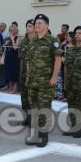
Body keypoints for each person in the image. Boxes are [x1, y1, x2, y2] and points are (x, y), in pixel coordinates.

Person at [25, 14, 61, 147]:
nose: (36, 25)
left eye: (40, 23)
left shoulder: (52, 41)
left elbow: (58, 60)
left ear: (46, 25)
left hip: (46, 82)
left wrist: (54, 76)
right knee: (34, 109)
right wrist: (28, 75)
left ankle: (43, 136)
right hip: (33, 80)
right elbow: (28, 60)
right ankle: (35, 135)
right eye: (35, 23)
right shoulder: (32, 41)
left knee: (44, 108)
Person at [63, 26, 81, 138]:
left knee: (80, 106)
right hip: (70, 83)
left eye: (80, 33)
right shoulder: (70, 50)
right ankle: (73, 126)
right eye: (76, 33)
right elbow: (66, 67)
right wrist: (65, 81)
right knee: (71, 105)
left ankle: (79, 129)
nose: (77, 35)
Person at [18, 19, 35, 126]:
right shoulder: (24, 41)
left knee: (32, 98)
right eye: (27, 26)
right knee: (24, 98)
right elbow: (21, 58)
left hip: (34, 74)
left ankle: (34, 120)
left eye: (30, 26)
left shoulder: (38, 41)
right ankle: (28, 118)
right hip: (24, 73)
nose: (27, 28)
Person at [3, 22, 20, 93]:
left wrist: (12, 39)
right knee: (8, 71)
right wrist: (6, 42)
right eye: (10, 30)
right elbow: (3, 46)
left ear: (15, 30)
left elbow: (15, 47)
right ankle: (10, 87)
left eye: (12, 30)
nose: (11, 31)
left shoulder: (18, 38)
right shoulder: (8, 38)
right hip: (8, 56)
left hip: (14, 57)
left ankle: (15, 88)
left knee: (14, 72)